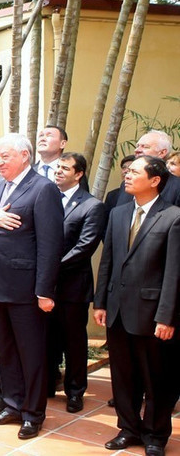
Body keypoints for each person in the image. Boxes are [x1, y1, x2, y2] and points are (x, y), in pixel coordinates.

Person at [0, 133, 63, 441]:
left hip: (25, 288)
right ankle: (12, 403)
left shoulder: (43, 189)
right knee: (5, 351)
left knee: (31, 353)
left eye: (4, 157)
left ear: (24, 156)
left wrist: (45, 290)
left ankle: (33, 413)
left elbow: (50, 245)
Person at [93, 156, 180, 456]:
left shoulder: (173, 217)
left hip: (152, 313)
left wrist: (167, 317)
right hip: (117, 310)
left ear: (155, 180)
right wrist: (100, 301)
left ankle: (155, 435)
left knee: (156, 378)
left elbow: (174, 272)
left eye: (134, 172)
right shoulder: (117, 213)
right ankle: (128, 428)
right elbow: (108, 261)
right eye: (127, 171)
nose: (127, 175)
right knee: (123, 376)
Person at [47, 152, 105, 414]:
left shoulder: (92, 206)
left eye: (65, 168)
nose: (58, 171)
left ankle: (74, 391)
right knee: (48, 338)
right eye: (57, 167)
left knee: (73, 342)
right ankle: (48, 383)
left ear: (79, 174)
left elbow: (85, 247)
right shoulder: (48, 198)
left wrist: (49, 267)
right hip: (45, 287)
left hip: (72, 287)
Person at [116, 130, 180, 207]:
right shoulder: (127, 184)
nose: (137, 150)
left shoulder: (177, 187)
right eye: (137, 146)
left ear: (162, 153)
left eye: (145, 147)